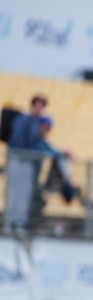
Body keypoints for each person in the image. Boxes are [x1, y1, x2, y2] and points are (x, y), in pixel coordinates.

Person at [3, 93, 48, 235]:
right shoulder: (22, 120)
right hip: (17, 159)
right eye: (38, 105)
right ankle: (8, 223)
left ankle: (19, 223)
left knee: (24, 194)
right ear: (33, 105)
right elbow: (18, 141)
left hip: (27, 161)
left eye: (42, 106)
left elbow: (38, 144)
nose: (39, 109)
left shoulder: (36, 123)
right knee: (12, 191)